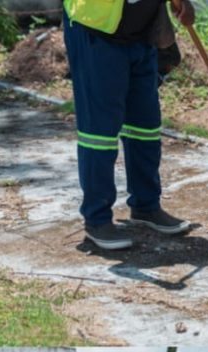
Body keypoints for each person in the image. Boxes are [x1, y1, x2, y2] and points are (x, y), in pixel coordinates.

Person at [63, 0, 197, 250]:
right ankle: (97, 219)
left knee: (144, 127)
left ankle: (146, 206)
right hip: (96, 30)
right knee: (99, 134)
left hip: (141, 33)